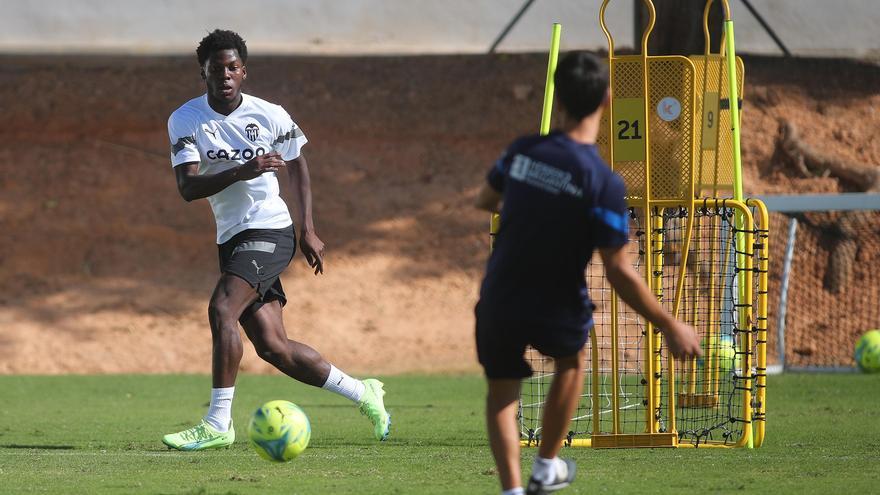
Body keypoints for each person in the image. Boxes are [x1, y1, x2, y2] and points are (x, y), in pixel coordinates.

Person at [473, 51, 702, 495]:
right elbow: (617, 270)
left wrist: (534, 206)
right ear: (608, 100)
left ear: (558, 97)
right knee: (572, 361)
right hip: (556, 299)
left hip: (500, 296)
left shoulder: (523, 150)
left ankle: (512, 490)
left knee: (503, 393)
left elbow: (485, 199)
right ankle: (545, 466)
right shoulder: (603, 181)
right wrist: (669, 324)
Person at [162, 29, 390, 451]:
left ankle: (216, 424)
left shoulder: (270, 114)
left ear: (244, 72)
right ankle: (365, 392)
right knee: (274, 348)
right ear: (204, 73)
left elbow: (298, 166)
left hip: (269, 228)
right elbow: (188, 188)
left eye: (233, 67)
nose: (225, 75)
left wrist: (308, 229)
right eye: (217, 68)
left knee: (221, 309)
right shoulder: (186, 119)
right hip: (232, 237)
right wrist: (243, 170)